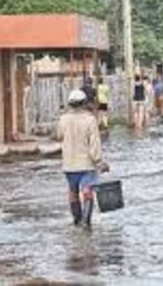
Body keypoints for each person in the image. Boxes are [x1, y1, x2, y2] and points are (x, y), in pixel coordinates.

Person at [56, 89, 109, 228]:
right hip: (86, 164)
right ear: (84, 103)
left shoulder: (63, 119)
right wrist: (100, 162)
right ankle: (86, 223)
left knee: (72, 193)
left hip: (68, 164)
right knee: (87, 193)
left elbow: (58, 136)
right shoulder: (90, 120)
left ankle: (77, 221)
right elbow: (95, 145)